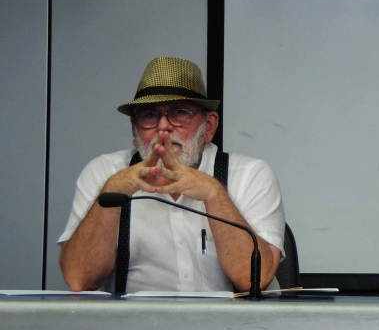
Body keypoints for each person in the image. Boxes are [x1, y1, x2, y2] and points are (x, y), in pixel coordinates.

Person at [59, 57, 285, 293]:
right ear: (135, 131)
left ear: (209, 126)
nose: (163, 127)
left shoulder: (250, 175)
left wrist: (213, 193)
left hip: (228, 318)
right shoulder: (105, 173)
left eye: (180, 112)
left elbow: (254, 280)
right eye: (149, 115)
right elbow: (79, 281)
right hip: (134, 317)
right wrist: (112, 190)